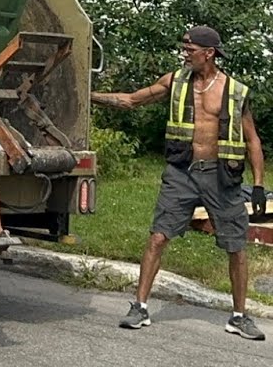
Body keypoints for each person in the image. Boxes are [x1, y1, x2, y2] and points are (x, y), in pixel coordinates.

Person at [91, 25, 266, 340]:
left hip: (221, 177)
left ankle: (240, 317)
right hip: (181, 173)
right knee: (158, 237)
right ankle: (139, 307)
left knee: (236, 246)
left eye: (190, 49)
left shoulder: (234, 91)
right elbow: (131, 100)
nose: (185, 54)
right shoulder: (174, 81)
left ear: (208, 53)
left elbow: (252, 140)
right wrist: (88, 95)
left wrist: (257, 185)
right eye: (184, 48)